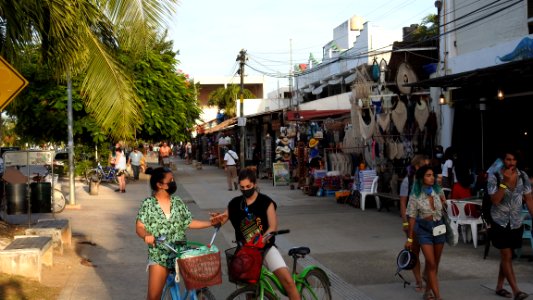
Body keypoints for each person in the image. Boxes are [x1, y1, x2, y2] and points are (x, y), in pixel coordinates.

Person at [210, 168, 300, 300]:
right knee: (250, 291)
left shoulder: (266, 202)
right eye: (242, 187)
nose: (245, 189)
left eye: (248, 186)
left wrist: (263, 239)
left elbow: (273, 226)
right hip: (246, 252)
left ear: (255, 184)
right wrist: (217, 219)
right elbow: (223, 218)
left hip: (265, 248)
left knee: (288, 282)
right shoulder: (235, 204)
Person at [136, 167, 217, 300]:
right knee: (153, 296)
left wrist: (211, 223)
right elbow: (139, 226)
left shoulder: (177, 202)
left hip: (181, 252)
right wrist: (146, 235)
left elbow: (189, 222)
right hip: (160, 254)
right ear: (160, 185)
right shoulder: (148, 204)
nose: (174, 182)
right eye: (170, 180)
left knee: (196, 286)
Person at [487, 150, 533, 300]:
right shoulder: (494, 175)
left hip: (515, 222)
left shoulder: (523, 177)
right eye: (508, 159)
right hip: (499, 221)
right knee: (506, 255)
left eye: (513, 160)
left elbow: (529, 199)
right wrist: (504, 183)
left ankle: (500, 287)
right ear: (503, 160)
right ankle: (516, 291)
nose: (511, 163)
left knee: (507, 256)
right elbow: (495, 200)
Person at [405, 165, 446, 300]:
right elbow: (411, 217)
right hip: (424, 230)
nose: (432, 178)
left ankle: (428, 292)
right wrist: (410, 239)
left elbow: (444, 206)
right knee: (431, 263)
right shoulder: (415, 195)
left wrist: (444, 202)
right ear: (421, 178)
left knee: (434, 265)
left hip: (439, 227)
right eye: (428, 175)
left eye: (432, 175)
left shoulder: (438, 191)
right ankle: (438, 296)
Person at [399, 154, 430, 292]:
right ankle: (418, 280)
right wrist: (405, 223)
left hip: (428, 222)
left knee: (430, 254)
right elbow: (403, 202)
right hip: (413, 222)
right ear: (417, 166)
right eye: (425, 166)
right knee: (415, 252)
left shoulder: (429, 181)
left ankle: (426, 274)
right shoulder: (408, 181)